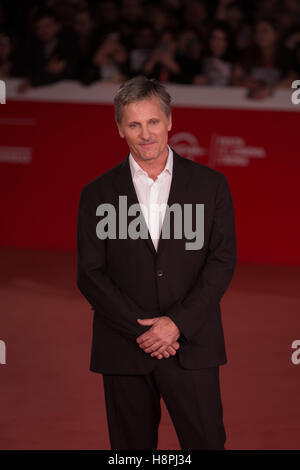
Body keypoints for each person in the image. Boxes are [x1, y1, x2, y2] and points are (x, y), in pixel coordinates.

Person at [77, 75, 237, 450]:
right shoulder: (96, 193)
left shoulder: (211, 185)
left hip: (192, 346)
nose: (145, 133)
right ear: (120, 129)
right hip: (123, 348)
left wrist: (177, 324)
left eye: (152, 121)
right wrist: (144, 332)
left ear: (169, 121)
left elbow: (222, 260)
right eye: (134, 124)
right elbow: (90, 273)